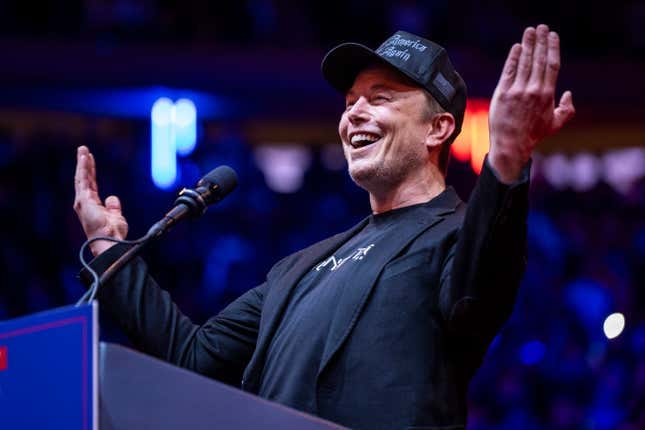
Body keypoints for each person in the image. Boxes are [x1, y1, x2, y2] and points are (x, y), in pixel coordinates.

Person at [74, 25, 574, 429]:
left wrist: (506, 158)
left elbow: (477, 291)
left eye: (380, 97)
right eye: (350, 100)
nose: (354, 111)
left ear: (438, 128)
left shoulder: (460, 236)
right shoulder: (298, 267)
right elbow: (194, 356)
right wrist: (108, 249)